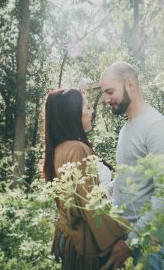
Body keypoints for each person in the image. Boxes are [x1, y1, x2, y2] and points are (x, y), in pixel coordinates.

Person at [99, 62, 164, 270]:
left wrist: (130, 242)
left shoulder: (156, 126)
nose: (106, 100)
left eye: (110, 91)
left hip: (144, 242)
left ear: (130, 84)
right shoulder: (126, 128)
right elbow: (125, 179)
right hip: (120, 235)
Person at [43, 88, 129, 270]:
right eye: (87, 107)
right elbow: (91, 204)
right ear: (72, 114)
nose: (92, 111)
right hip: (89, 244)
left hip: (72, 238)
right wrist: (118, 241)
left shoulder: (60, 147)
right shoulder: (76, 149)